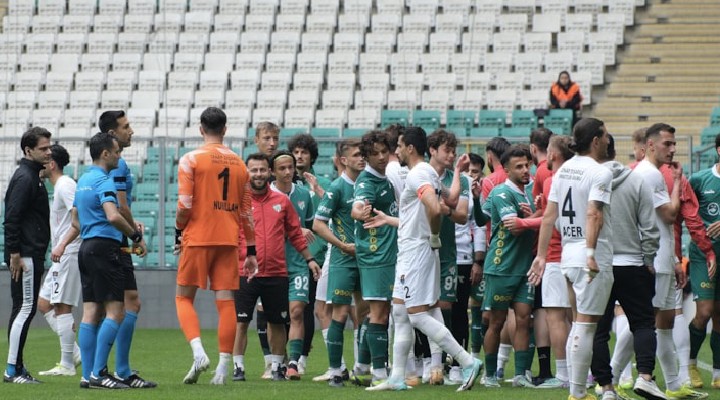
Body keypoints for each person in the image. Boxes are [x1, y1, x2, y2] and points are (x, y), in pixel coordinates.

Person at [367, 126, 482, 392]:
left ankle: (467, 361)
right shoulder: (428, 172)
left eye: (398, 146)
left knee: (417, 316)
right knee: (400, 311)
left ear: (409, 148)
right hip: (415, 249)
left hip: (416, 253)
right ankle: (397, 377)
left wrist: (432, 233)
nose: (395, 151)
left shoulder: (418, 174)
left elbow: (434, 207)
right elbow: (451, 199)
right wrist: (459, 174)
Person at [529, 118, 613, 400]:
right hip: (589, 253)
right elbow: (594, 213)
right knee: (585, 325)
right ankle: (577, 393)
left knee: (579, 322)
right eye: (605, 136)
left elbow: (549, 216)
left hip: (566, 254)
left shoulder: (562, 171)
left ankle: (578, 391)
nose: (608, 140)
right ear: (596, 140)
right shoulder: (600, 173)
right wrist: (590, 252)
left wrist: (541, 256)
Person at [174, 107, 257, 385]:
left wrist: (179, 228)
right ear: (224, 129)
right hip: (228, 239)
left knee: (184, 297)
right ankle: (222, 369)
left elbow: (184, 204)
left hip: (198, 237)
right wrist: (252, 251)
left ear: (201, 129)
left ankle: (198, 352)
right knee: (226, 303)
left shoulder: (190, 159)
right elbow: (246, 213)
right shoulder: (240, 165)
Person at [633, 123, 708, 399]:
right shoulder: (651, 175)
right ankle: (630, 378)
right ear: (650, 145)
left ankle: (674, 385)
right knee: (647, 321)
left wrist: (676, 258)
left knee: (664, 321)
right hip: (653, 259)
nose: (673, 149)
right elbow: (669, 215)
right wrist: (677, 181)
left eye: (674, 144)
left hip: (662, 257)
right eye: (667, 144)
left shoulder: (646, 173)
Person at [232, 153, 320, 381]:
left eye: (262, 170)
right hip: (246, 272)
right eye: (254, 170)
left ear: (268, 172)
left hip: (276, 273)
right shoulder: (237, 203)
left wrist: (310, 259)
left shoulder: (282, 202)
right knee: (242, 321)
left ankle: (277, 367)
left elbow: (296, 234)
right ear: (246, 173)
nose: (259, 174)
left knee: (277, 322)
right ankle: (238, 367)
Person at [591, 135, 666, 400]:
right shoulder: (637, 180)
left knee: (597, 328)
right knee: (644, 323)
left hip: (600, 263)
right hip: (633, 264)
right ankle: (645, 376)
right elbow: (649, 226)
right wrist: (648, 259)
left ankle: (606, 387)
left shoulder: (588, 179)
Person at [74, 132, 147, 389]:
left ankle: (87, 375)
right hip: (105, 248)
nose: (119, 156)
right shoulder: (104, 181)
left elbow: (75, 219)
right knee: (116, 312)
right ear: (105, 153)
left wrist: (91, 227)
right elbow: (114, 216)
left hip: (86, 248)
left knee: (91, 312)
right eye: (117, 152)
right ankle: (100, 372)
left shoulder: (83, 179)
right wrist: (135, 235)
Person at [97, 110, 156, 388]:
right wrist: (135, 236)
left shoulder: (104, 168)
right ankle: (117, 370)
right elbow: (121, 206)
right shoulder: (117, 165)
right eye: (125, 126)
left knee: (106, 307)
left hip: (105, 240)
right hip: (115, 241)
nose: (131, 131)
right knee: (126, 304)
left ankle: (100, 370)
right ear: (112, 134)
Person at [478, 145, 537, 388]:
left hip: (525, 267)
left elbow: (530, 219)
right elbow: (512, 225)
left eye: (527, 165)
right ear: (507, 170)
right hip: (501, 266)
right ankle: (490, 374)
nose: (525, 170)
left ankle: (521, 374)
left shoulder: (531, 191)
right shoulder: (502, 192)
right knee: (496, 321)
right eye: (519, 167)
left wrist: (532, 214)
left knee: (524, 320)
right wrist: (535, 217)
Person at [313, 139, 366, 387]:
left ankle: (362, 369)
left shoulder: (369, 185)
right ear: (344, 160)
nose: (362, 158)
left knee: (367, 312)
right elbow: (318, 223)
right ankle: (336, 370)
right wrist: (342, 245)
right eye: (357, 155)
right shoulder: (337, 188)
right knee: (341, 313)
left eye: (363, 154)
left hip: (368, 260)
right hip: (344, 261)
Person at [3, 127, 53, 384]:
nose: (48, 151)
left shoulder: (32, 175)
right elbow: (11, 218)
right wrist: (14, 253)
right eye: (43, 148)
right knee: (24, 308)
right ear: (28, 150)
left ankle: (18, 367)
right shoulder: (25, 178)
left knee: (23, 309)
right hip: (25, 255)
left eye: (49, 147)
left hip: (30, 252)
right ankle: (12, 370)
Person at [350, 130, 398, 386]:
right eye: (375, 154)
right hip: (375, 255)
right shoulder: (367, 181)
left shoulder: (384, 178)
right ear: (367, 157)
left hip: (385, 255)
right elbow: (357, 206)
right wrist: (359, 213)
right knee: (380, 313)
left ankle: (362, 366)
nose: (381, 157)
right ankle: (380, 373)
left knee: (377, 312)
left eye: (384, 151)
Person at [425, 129, 470, 384]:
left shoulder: (458, 179)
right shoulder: (420, 174)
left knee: (445, 307)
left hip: (447, 252)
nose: (452, 155)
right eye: (447, 150)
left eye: (454, 151)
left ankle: (448, 365)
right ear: (432, 150)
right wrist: (445, 207)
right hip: (421, 250)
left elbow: (462, 214)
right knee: (420, 308)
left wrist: (442, 208)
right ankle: (426, 362)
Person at [268, 150, 318, 380]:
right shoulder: (266, 196)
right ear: (273, 172)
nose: (288, 172)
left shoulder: (304, 195)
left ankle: (294, 363)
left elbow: (310, 229)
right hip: (273, 265)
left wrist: (310, 259)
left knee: (297, 312)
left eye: (290, 167)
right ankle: (274, 363)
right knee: (276, 318)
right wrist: (295, 230)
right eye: (282, 168)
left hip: (298, 263)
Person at [288, 133, 332, 374]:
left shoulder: (321, 183)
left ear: (312, 156)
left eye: (304, 152)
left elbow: (326, 219)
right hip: (289, 255)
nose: (299, 156)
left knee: (308, 308)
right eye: (296, 152)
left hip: (317, 256)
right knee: (291, 308)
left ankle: (301, 357)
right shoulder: (284, 185)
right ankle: (285, 356)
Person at [37, 145, 82, 377]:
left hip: (68, 254)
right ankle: (74, 353)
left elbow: (80, 214)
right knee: (44, 304)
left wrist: (63, 244)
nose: (41, 164)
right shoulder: (61, 186)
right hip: (60, 256)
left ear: (52, 164)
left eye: (45, 160)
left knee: (62, 306)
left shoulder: (65, 185)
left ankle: (67, 364)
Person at [688, 132, 720, 389]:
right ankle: (690, 364)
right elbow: (687, 214)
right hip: (702, 255)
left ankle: (718, 373)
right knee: (705, 312)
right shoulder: (699, 179)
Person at [450, 152, 485, 383]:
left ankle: (456, 365)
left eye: (476, 172)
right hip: (440, 255)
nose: (472, 176)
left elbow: (479, 227)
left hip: (463, 257)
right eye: (468, 171)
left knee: (460, 311)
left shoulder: (474, 196)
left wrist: (477, 261)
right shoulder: (450, 189)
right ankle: (431, 362)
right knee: (437, 311)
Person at [252, 121, 280, 377]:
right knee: (263, 309)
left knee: (286, 312)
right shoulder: (251, 173)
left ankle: (288, 361)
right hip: (258, 254)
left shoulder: (284, 167)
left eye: (275, 138)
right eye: (266, 138)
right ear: (256, 139)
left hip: (284, 253)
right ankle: (269, 361)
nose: (271, 143)